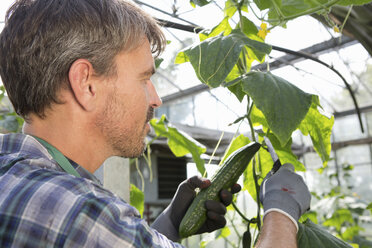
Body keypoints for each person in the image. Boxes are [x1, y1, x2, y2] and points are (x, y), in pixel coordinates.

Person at [0, 0, 311, 247]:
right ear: (86, 84)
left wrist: (170, 224)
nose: (156, 98)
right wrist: (282, 209)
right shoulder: (79, 211)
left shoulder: (14, 174)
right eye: (144, 79)